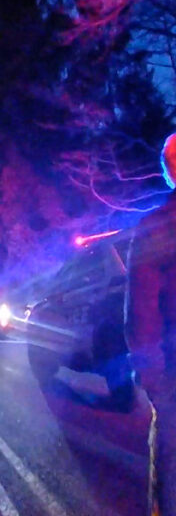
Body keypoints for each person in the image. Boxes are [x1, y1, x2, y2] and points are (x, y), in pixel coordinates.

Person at [127, 133, 176, 516]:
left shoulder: (156, 226)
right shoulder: (159, 228)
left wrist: (155, 381)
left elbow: (141, 314)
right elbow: (142, 312)